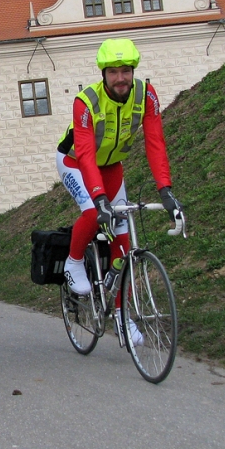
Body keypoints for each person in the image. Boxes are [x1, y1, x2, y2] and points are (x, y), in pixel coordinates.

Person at [56, 37, 185, 345]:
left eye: (125, 70)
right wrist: (99, 198)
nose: (120, 78)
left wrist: (166, 190)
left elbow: (155, 144)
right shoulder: (86, 101)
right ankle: (74, 262)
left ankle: (122, 316)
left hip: (112, 166)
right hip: (75, 161)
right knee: (93, 213)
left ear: (133, 70)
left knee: (123, 244)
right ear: (103, 73)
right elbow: (85, 153)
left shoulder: (146, 95)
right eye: (113, 71)